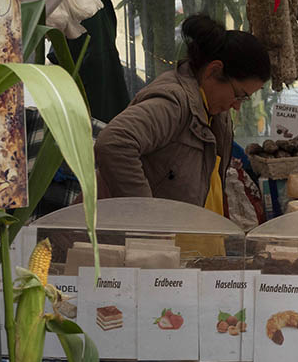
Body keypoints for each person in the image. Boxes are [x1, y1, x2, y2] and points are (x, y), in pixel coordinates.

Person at [95, 14, 270, 214]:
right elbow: (114, 142)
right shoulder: (174, 103)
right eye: (239, 95)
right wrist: (145, 217)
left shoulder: (214, 110)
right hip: (146, 240)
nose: (237, 106)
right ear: (213, 71)